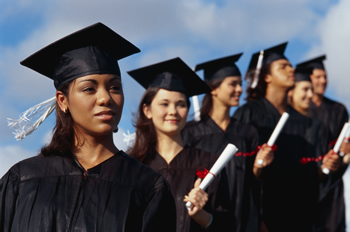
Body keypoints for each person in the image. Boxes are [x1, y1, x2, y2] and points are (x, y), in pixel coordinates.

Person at [0, 22, 176, 232]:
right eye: (89, 89)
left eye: (115, 87)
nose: (105, 98)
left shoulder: (147, 187)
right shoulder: (22, 179)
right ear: (63, 101)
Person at [233, 42, 336, 232]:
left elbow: (309, 175)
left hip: (298, 217)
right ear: (267, 77)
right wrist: (255, 218)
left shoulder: (303, 121)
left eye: (291, 66)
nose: (291, 69)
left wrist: (324, 167)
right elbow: (238, 173)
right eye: (283, 66)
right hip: (259, 215)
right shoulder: (248, 114)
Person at [127, 57, 232, 232]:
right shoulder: (133, 166)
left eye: (181, 104)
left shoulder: (210, 163)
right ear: (147, 110)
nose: (173, 111)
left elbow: (228, 226)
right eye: (164, 104)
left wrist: (202, 217)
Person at [181, 53, 274, 232]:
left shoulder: (248, 132)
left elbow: (253, 181)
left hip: (245, 217)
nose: (239, 89)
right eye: (233, 84)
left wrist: (259, 166)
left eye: (240, 84)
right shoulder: (191, 132)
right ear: (213, 89)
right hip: (207, 217)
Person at [297, 56, 349, 232]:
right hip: (305, 182)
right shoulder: (298, 110)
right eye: (318, 77)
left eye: (325, 76)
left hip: (332, 183)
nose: (323, 81)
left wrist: (345, 153)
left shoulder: (338, 109)